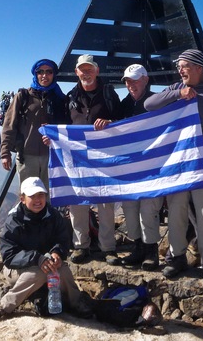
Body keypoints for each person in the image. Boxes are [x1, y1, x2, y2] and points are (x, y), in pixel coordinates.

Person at [144, 49, 203, 284]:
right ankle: (177, 257)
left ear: (198, 68)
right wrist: (177, 95)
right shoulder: (176, 88)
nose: (180, 70)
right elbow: (149, 104)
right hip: (179, 158)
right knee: (176, 208)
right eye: (179, 66)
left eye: (184, 66)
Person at [0, 177, 93, 321]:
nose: (38, 200)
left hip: (46, 261)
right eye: (32, 196)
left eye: (41, 195)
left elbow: (63, 240)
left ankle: (76, 302)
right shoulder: (14, 220)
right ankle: (4, 307)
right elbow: (9, 256)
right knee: (39, 272)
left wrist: (57, 253)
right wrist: (36, 258)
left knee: (63, 270)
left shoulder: (53, 215)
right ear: (22, 199)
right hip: (17, 268)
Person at [60, 54, 122, 266]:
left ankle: (108, 248)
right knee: (78, 203)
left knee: (105, 203)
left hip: (104, 158)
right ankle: (81, 246)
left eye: (90, 69)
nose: (86, 73)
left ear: (97, 71)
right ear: (76, 72)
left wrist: (111, 122)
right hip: (78, 159)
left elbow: (123, 123)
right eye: (82, 70)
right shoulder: (70, 97)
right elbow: (61, 126)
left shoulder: (109, 95)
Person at [118, 64, 161, 271]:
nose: (130, 85)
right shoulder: (123, 105)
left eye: (134, 80)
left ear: (145, 79)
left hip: (152, 168)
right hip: (128, 167)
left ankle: (151, 250)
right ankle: (138, 248)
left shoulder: (157, 102)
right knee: (130, 208)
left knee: (148, 208)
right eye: (127, 81)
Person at [0, 59, 67, 190]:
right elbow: (9, 125)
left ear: (54, 75)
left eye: (49, 72)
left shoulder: (60, 99)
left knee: (49, 198)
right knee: (29, 196)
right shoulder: (23, 96)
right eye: (40, 72)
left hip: (52, 156)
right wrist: (5, 153)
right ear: (35, 74)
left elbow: (66, 126)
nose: (44, 75)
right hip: (27, 156)